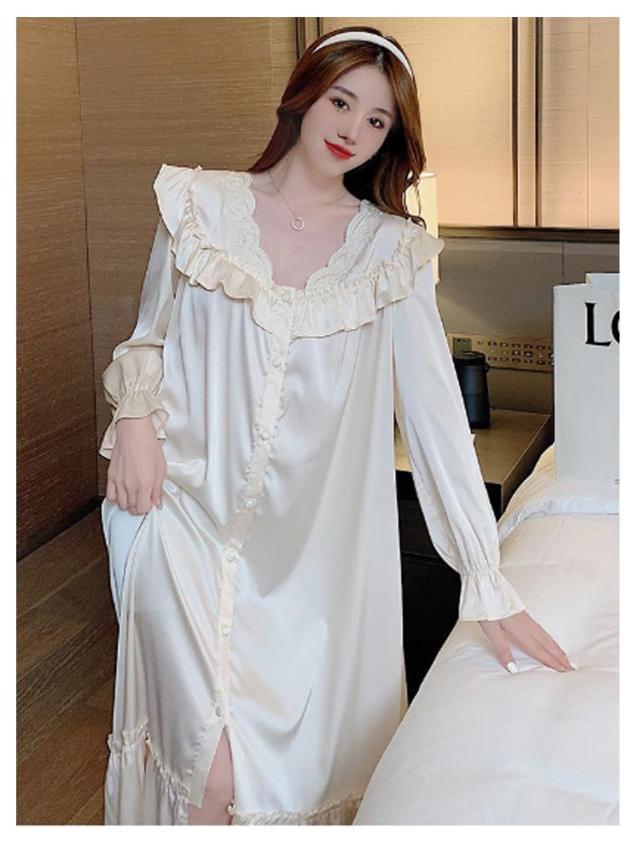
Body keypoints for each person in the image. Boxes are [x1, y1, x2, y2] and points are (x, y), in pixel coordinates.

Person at [98, 26, 574, 826]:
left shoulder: (391, 256)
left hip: (307, 563)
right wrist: (136, 421)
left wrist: (487, 581)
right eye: (341, 101)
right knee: (207, 774)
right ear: (305, 95)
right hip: (173, 515)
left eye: (378, 119)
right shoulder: (198, 206)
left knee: (261, 785)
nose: (353, 128)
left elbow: (436, 422)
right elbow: (149, 335)